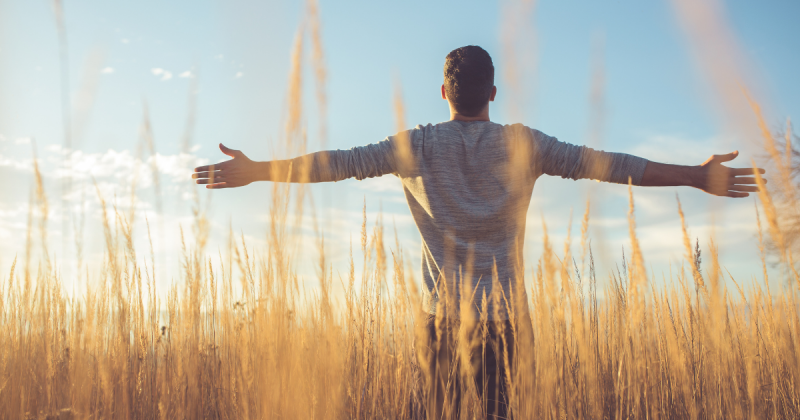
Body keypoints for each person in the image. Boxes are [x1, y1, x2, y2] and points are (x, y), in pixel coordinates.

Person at [193, 45, 766, 419]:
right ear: (493, 93)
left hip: (441, 323)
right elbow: (612, 164)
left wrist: (257, 171)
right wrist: (696, 176)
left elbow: (332, 163)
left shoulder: (414, 146)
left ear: (444, 93)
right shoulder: (525, 144)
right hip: (510, 324)